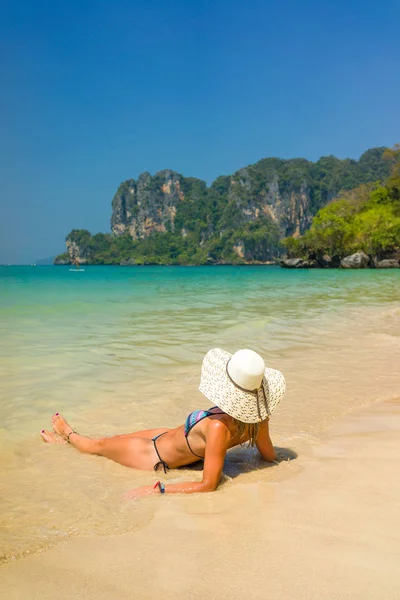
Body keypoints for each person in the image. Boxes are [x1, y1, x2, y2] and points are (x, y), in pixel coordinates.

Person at [41, 348, 286, 498]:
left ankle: (67, 435)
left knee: (100, 445)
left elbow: (208, 485)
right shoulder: (258, 418)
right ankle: (68, 442)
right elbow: (268, 455)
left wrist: (158, 489)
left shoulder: (218, 428)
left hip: (154, 456)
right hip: (165, 436)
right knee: (111, 441)